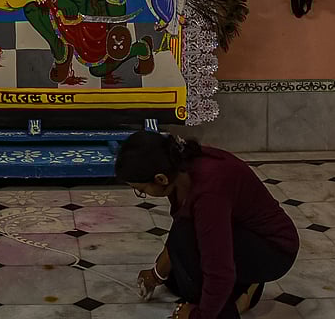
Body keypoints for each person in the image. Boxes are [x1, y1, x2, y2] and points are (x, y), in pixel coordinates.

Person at [115, 131, 299, 319]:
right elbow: (181, 230)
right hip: (241, 234)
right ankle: (243, 287)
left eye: (141, 190)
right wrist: (156, 276)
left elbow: (218, 270)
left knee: (198, 285)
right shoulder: (179, 168)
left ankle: (238, 302)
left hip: (273, 250)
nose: (142, 194)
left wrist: (197, 315)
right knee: (176, 279)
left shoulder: (209, 192)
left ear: (161, 179)